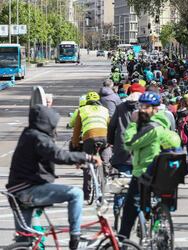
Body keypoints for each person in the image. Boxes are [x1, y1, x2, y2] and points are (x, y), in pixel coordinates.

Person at [6, 104, 101, 250]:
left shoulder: (29, 134)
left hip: (17, 192)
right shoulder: (38, 138)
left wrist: (76, 160)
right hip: (27, 191)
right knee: (76, 194)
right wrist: (87, 157)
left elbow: (46, 157)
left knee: (24, 240)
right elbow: (57, 155)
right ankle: (75, 238)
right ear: (46, 122)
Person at [118, 91, 178, 239]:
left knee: (129, 211)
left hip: (143, 174)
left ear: (155, 109)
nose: (142, 109)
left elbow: (129, 143)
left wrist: (133, 123)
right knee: (157, 202)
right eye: (141, 106)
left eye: (147, 106)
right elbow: (175, 142)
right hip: (163, 175)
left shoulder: (150, 128)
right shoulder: (164, 125)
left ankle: (122, 241)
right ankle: (160, 223)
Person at [71, 91, 110, 201]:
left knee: (88, 164)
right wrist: (110, 142)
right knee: (105, 158)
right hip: (104, 137)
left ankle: (87, 194)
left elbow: (77, 129)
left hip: (89, 137)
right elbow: (109, 125)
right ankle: (104, 180)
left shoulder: (82, 110)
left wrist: (75, 143)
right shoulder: (105, 110)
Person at [107, 92, 140, 216]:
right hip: (138, 149)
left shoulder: (120, 107)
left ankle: (117, 206)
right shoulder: (144, 108)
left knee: (121, 181)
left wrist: (110, 141)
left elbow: (112, 126)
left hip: (122, 148)